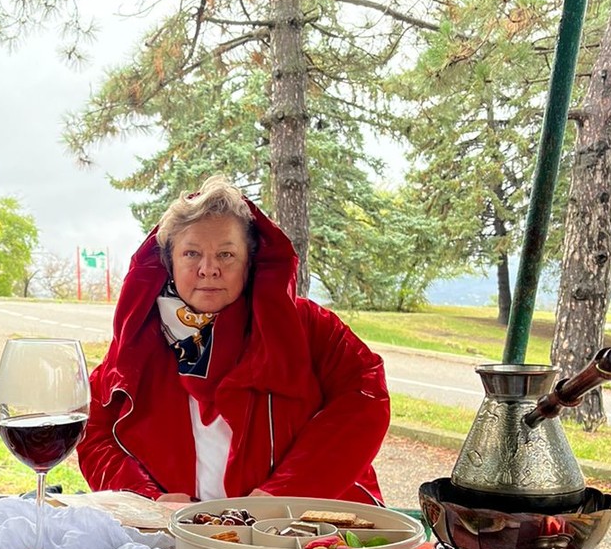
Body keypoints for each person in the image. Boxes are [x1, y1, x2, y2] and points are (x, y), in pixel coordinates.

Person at [77, 176, 390, 504]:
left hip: (302, 534)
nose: (208, 269)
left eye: (226, 254)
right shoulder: (138, 340)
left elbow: (365, 395)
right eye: (191, 253)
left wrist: (283, 496)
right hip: (181, 538)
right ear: (169, 262)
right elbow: (94, 429)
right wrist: (145, 499)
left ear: (249, 263)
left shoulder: (304, 325)